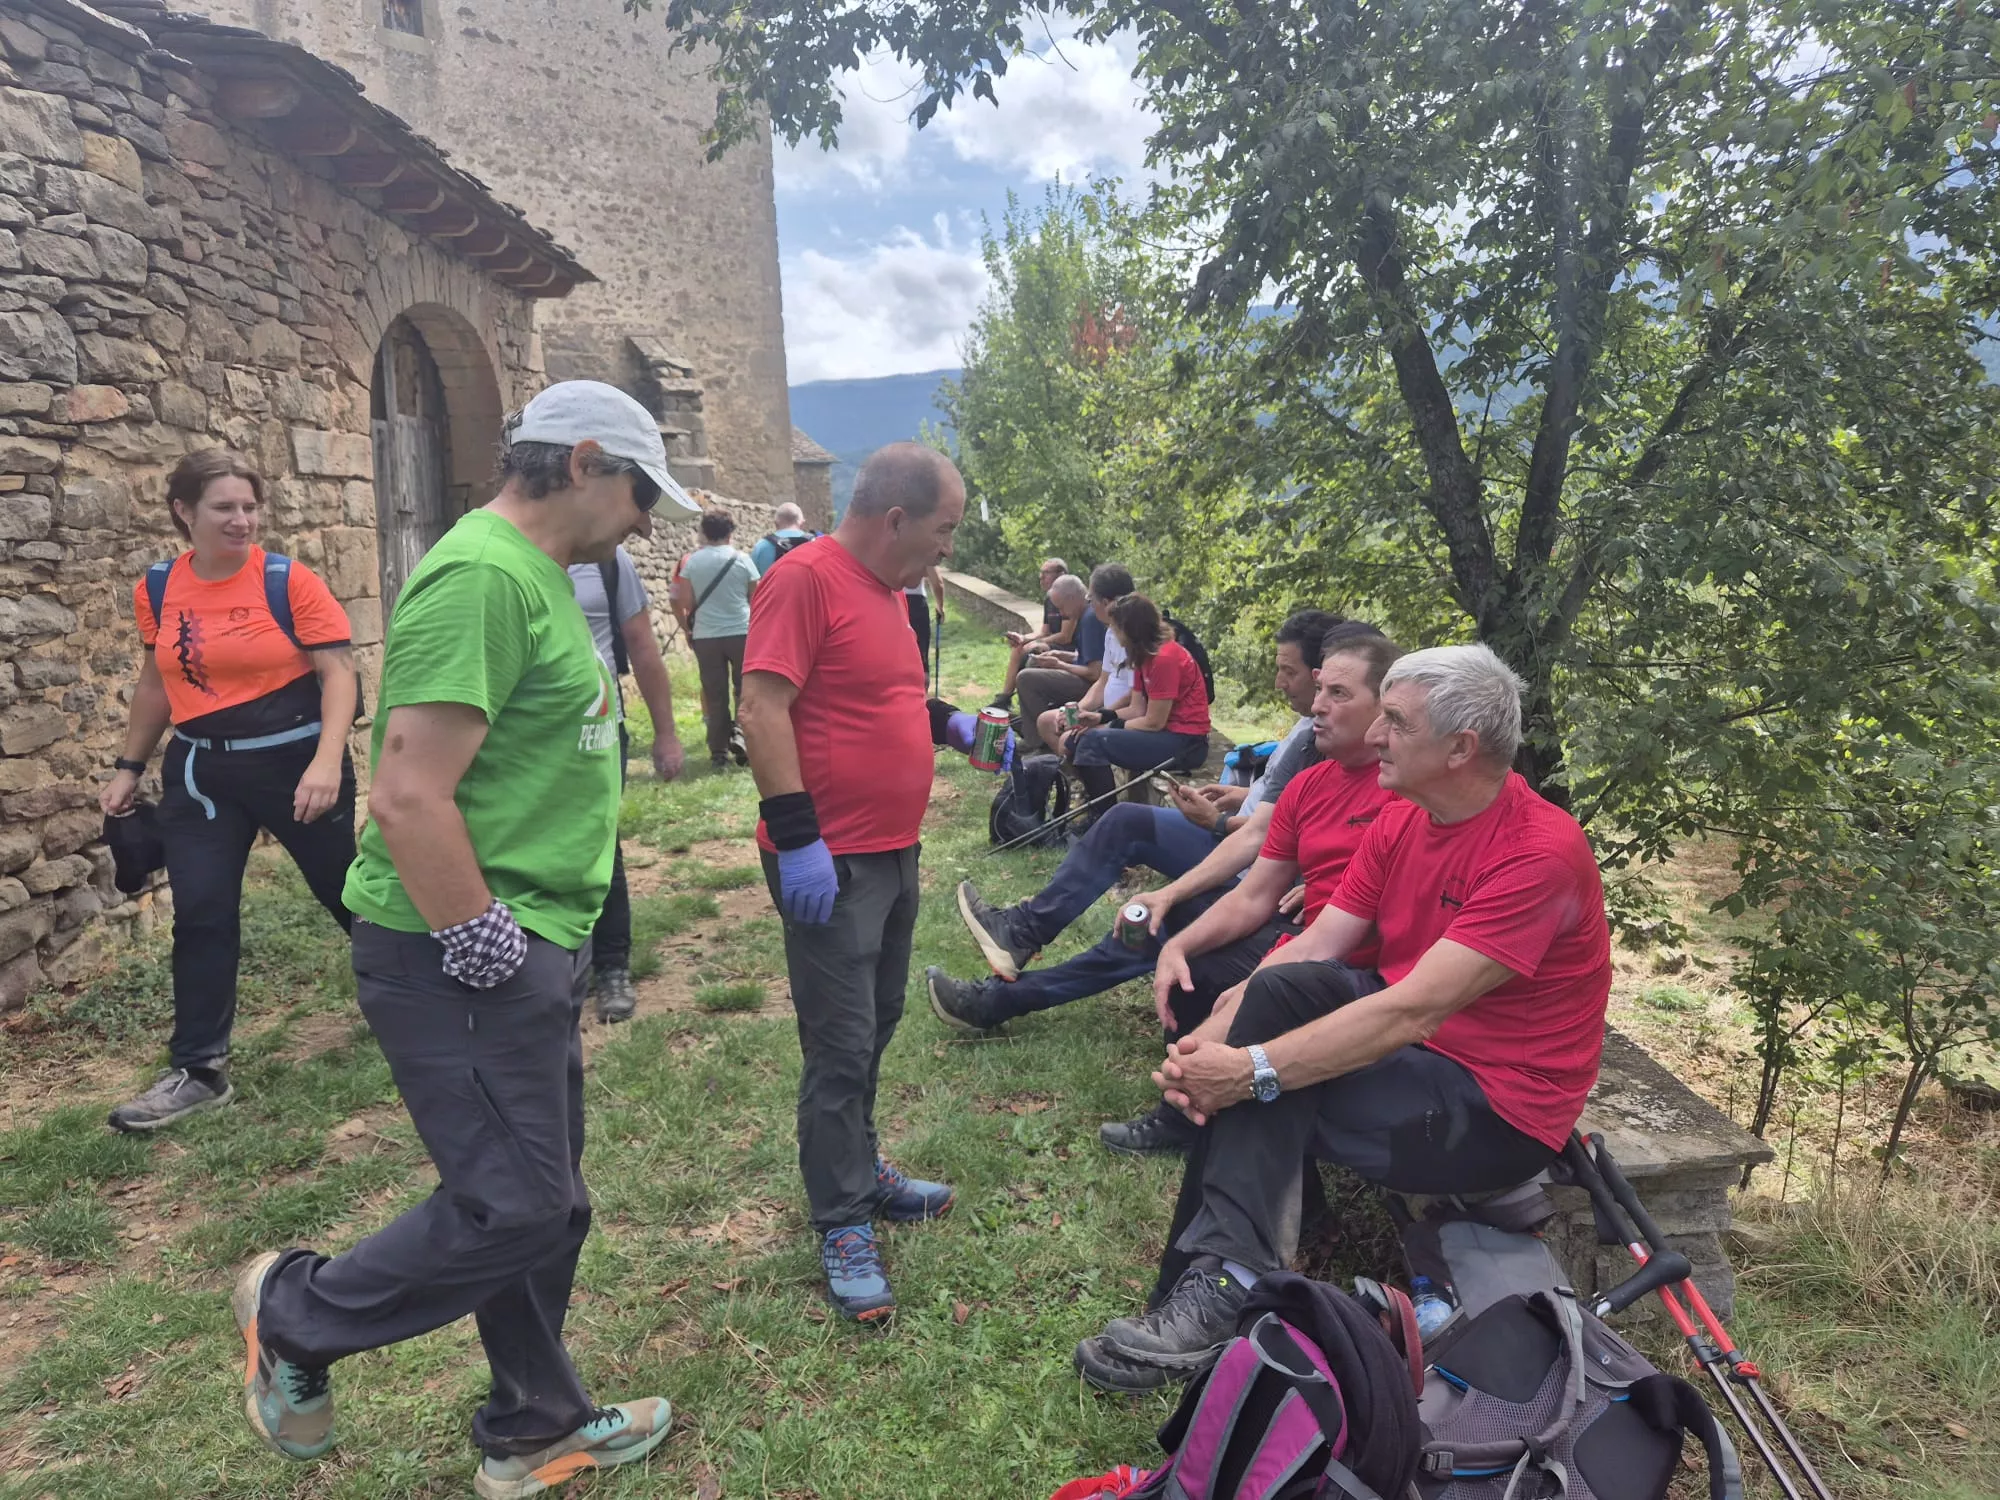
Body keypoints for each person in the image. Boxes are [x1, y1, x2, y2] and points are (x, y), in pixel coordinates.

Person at [232, 381, 695, 1494]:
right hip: (462, 954)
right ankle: (293, 1314)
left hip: (523, 942)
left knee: (553, 1204)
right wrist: (484, 941)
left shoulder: (539, 574)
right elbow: (404, 793)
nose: (645, 519)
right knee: (518, 1202)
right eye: (640, 492)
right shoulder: (484, 576)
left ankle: (535, 1423)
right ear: (583, 462)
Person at [1077, 644, 1612, 1390]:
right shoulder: (1405, 818)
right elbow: (1320, 941)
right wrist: (1224, 1027)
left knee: (1273, 1082)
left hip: (1496, 1107)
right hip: (1420, 1056)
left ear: (1461, 748)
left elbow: (1412, 1010)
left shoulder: (1538, 851)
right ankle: (1207, 1285)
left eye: (1395, 721)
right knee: (1272, 999)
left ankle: (1217, 1291)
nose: (1375, 735)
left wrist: (1251, 1069)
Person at [739, 441, 965, 1322]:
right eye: (944, 529)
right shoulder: (806, 579)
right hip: (829, 857)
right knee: (838, 1043)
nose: (948, 548)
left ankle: (859, 1166)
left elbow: (892, 698)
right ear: (896, 518)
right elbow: (761, 706)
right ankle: (840, 1218)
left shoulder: (890, 596)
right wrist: (798, 836)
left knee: (878, 1019)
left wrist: (958, 730)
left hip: (893, 848)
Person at [925, 610, 1357, 1039]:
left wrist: (1219, 824)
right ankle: (1020, 932)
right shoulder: (1310, 731)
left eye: (1290, 672)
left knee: (1143, 927)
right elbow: (1286, 809)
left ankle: (997, 999)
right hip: (1245, 847)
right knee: (1126, 822)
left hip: (1255, 870)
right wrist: (1244, 797)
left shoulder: (1328, 741)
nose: (1281, 683)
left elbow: (1268, 837)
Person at [97, 448, 360, 1133]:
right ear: (184, 512)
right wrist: (130, 765)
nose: (242, 520)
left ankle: (428, 1002)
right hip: (201, 773)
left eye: (249, 506)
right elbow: (159, 681)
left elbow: (338, 674)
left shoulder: (287, 581)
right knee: (203, 915)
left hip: (296, 764)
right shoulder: (156, 589)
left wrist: (328, 762)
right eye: (225, 508)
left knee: (351, 894)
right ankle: (199, 1069)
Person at [568, 544, 686, 1022]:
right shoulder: (509, 552)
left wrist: (666, 733)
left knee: (599, 841)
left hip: (597, 724)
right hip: (525, 727)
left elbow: (641, 645)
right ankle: (551, 961)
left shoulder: (609, 561)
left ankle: (611, 964)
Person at [1066, 593, 1212, 806]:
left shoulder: (1164, 658)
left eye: (1115, 627)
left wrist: (1110, 726)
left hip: (1186, 743)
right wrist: (1100, 717)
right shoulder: (1141, 654)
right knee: (1076, 739)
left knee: (1092, 742)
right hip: (1166, 733)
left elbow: (1154, 722)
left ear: (1130, 629)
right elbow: (1136, 709)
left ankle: (1103, 818)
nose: (1112, 632)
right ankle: (1093, 804)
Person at [670, 508, 760, 770]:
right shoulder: (742, 559)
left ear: (704, 533)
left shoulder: (693, 562)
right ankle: (744, 739)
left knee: (714, 691)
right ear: (730, 533)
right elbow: (757, 597)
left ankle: (718, 750)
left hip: (707, 635)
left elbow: (683, 600)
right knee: (745, 689)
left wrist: (688, 627)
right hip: (741, 632)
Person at [1016, 562, 1131, 752]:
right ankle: (1063, 764)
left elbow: (1096, 674)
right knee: (1046, 721)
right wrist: (1079, 708)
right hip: (1101, 702)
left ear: (1105, 603)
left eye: (1091, 598)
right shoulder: (1110, 631)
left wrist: (1059, 664)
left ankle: (1050, 753)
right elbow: (1101, 677)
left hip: (1112, 710)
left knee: (1027, 678)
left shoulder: (1095, 621)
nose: (1061, 614)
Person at [988, 558, 1077, 709]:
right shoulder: (1049, 598)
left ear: (1061, 574)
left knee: (1034, 653)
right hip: (1054, 643)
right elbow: (1044, 631)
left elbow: (1065, 636)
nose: (1041, 577)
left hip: (1069, 648)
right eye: (1041, 573)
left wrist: (1039, 643)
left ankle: (1031, 707)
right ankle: (1003, 700)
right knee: (1018, 649)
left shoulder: (1069, 597)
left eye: (1046, 573)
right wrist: (1023, 638)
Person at [751, 501, 816, 574]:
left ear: (776, 523)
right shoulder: (816, 544)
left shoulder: (761, 546)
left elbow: (753, 580)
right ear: (802, 523)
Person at [904, 562, 946, 674]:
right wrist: (940, 607)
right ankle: (922, 683)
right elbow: (938, 583)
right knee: (920, 652)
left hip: (893, 602)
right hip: (917, 604)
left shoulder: (888, 547)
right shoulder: (923, 548)